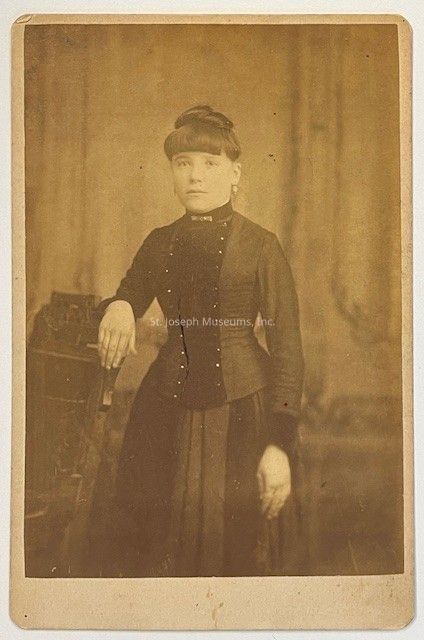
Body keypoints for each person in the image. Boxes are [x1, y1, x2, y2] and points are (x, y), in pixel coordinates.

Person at [94, 105, 305, 577]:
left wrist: (279, 444)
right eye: (183, 163)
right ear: (172, 173)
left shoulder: (262, 246)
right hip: (163, 412)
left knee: (238, 550)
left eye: (210, 164)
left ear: (235, 175)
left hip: (245, 413)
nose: (195, 176)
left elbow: (288, 351)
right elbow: (126, 293)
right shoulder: (159, 242)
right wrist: (120, 305)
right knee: (150, 545)